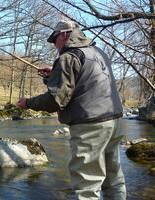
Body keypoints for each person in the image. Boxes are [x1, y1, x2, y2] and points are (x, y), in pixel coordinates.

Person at [17, 20, 126, 200]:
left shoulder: (69, 57)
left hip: (89, 125)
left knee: (87, 185)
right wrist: (55, 73)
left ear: (64, 35)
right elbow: (86, 81)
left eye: (55, 40)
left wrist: (27, 103)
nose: (54, 45)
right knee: (113, 178)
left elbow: (55, 100)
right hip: (114, 120)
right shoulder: (97, 52)